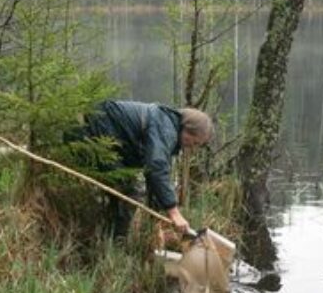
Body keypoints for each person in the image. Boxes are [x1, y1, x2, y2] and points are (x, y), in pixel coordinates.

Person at [67, 100, 214, 238]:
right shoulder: (166, 128)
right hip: (92, 133)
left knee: (128, 190)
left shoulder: (166, 125)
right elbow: (156, 165)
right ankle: (115, 243)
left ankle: (112, 239)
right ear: (186, 129)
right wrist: (174, 211)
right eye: (193, 142)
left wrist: (159, 221)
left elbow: (152, 177)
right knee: (128, 192)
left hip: (104, 136)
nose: (192, 148)